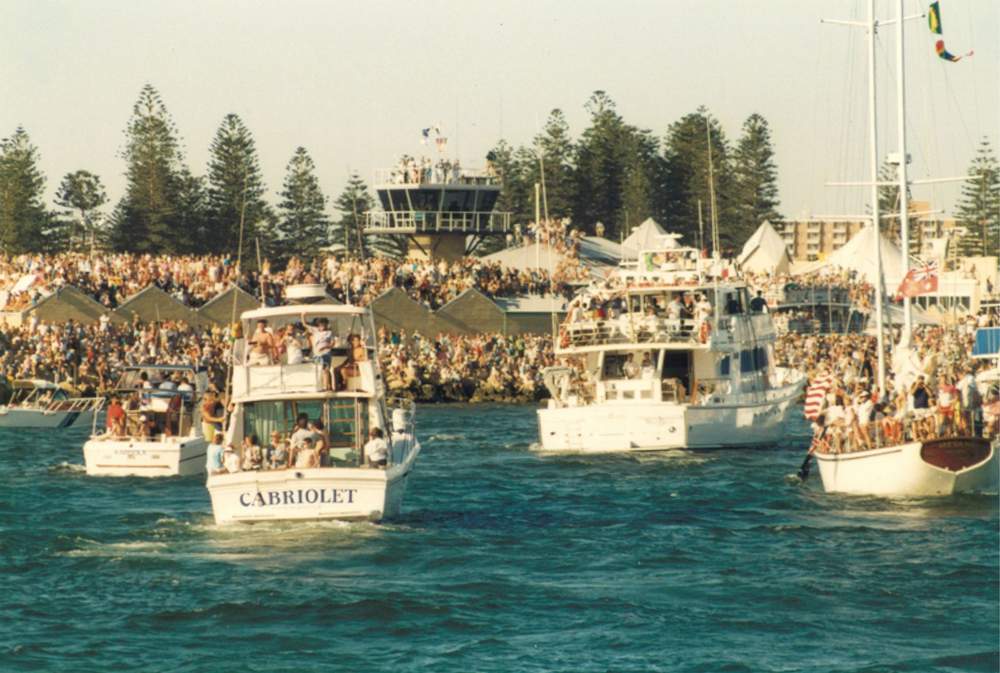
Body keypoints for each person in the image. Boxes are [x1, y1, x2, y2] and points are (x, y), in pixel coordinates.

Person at [302, 314, 334, 390]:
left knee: (326, 370)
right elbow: (304, 324)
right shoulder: (315, 331)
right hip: (317, 354)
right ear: (318, 325)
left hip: (326, 352)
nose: (322, 326)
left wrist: (325, 347)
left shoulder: (329, 333)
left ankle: (327, 386)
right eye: (320, 324)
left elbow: (332, 343)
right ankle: (322, 386)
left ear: (326, 325)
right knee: (320, 370)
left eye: (324, 324)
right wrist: (303, 315)